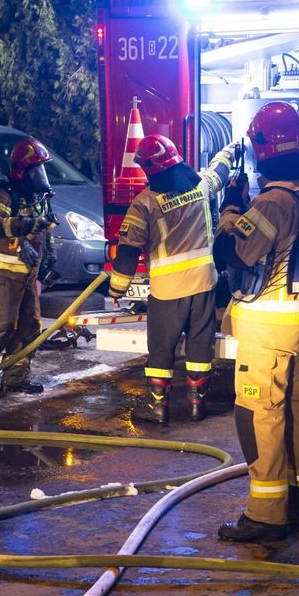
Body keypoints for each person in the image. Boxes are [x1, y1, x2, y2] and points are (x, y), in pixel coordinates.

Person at [213, 102, 299, 542]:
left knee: (259, 415)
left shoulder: (274, 201)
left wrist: (230, 211)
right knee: (294, 412)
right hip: (298, 320)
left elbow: (232, 254)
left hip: (265, 327)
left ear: (263, 146)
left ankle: (265, 515)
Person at [108, 134, 242, 423]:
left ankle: (157, 407)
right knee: (199, 344)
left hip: (168, 290)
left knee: (161, 349)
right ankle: (197, 406)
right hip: (205, 282)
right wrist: (229, 151)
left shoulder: (144, 203)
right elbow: (218, 171)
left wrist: (117, 288)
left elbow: (129, 250)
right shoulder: (201, 186)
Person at [0, 136, 57, 394]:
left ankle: (16, 379)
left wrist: (49, 258)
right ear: (23, 172)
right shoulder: (4, 194)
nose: (41, 175)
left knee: (29, 327)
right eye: (37, 169)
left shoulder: (40, 198)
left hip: (28, 276)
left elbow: (47, 229)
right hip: (4, 274)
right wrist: (22, 229)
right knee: (2, 326)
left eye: (43, 168)